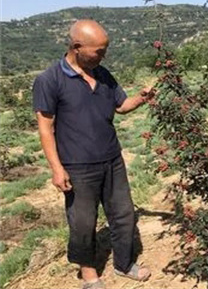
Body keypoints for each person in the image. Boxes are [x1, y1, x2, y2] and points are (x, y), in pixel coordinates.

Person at [33, 19, 152, 289]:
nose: (103, 55)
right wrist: (56, 168)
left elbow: (121, 106)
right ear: (77, 47)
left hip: (112, 158)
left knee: (123, 215)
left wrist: (142, 98)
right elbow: (45, 127)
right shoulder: (49, 79)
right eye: (98, 51)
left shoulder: (102, 73)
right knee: (83, 222)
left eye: (105, 49)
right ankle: (89, 275)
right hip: (77, 166)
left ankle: (124, 264)